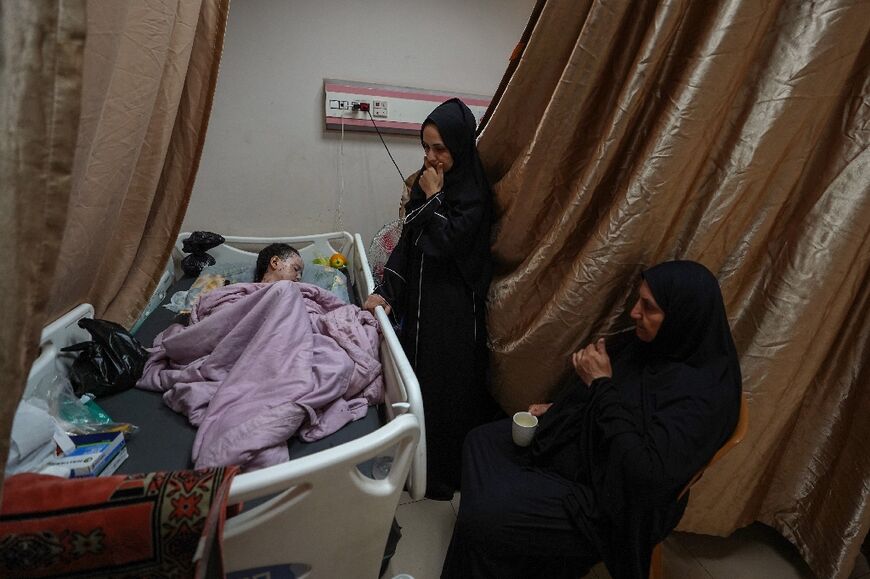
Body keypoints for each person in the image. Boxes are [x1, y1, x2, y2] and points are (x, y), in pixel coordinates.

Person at [441, 260, 743, 579]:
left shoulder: (705, 398)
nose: (635, 313)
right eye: (638, 301)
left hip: (613, 502)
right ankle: (511, 552)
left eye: (648, 307)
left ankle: (500, 542)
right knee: (481, 441)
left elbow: (644, 474)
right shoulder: (656, 347)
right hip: (593, 452)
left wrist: (599, 384)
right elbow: (618, 397)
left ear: (683, 319)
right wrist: (559, 409)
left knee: (482, 517)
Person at [363, 98, 495, 500]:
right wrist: (385, 292)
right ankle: (413, 465)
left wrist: (435, 197)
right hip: (421, 302)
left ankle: (441, 477)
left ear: (460, 145)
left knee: (446, 393)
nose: (431, 157)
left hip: (454, 309)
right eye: (425, 147)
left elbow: (446, 242)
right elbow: (410, 243)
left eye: (440, 148)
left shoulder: (475, 194)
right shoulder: (425, 184)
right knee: (417, 382)